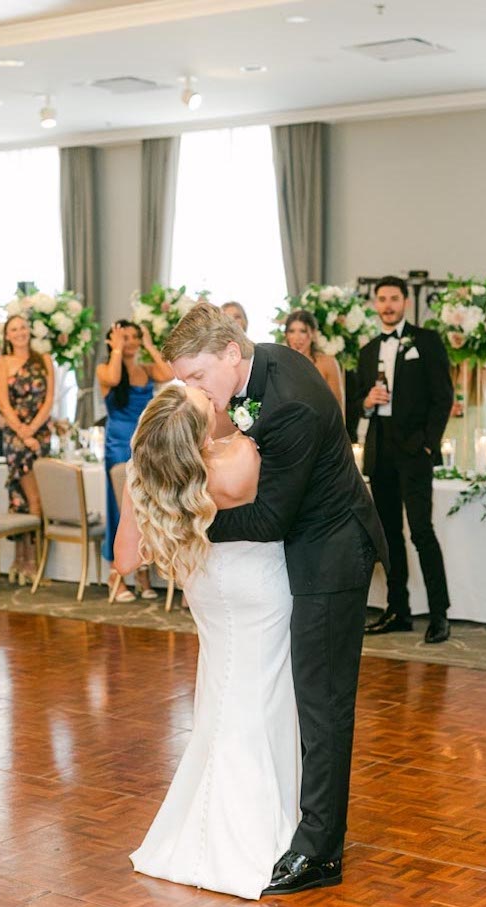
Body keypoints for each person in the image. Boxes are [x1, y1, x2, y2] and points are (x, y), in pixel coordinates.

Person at [162, 302, 388, 896]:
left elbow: (266, 517)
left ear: (231, 353)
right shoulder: (263, 367)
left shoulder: (286, 404)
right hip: (305, 539)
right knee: (309, 696)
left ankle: (320, 851)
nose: (190, 389)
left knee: (323, 701)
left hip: (331, 553)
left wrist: (187, 524)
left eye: (196, 376)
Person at [114, 384, 301, 900]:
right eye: (206, 406)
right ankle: (253, 837)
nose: (217, 403)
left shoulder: (151, 471)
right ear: (196, 430)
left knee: (222, 701)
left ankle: (198, 833)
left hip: (207, 591)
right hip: (259, 591)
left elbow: (126, 560)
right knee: (260, 705)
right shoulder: (241, 455)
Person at [357, 276, 453, 644]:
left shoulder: (426, 342)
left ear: (404, 303)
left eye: (394, 298)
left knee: (421, 532)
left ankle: (440, 614)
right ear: (375, 304)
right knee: (389, 536)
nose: (387, 305)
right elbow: (354, 407)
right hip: (380, 454)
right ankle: (398, 610)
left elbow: (443, 397)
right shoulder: (367, 351)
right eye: (381, 299)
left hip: (415, 454)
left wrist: (429, 445)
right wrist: (366, 402)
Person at [96, 319, 174, 601]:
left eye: (134, 337)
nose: (130, 342)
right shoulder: (105, 369)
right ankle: (116, 576)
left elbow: (168, 372)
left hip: (144, 444)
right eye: (124, 337)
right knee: (119, 508)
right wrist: (116, 350)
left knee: (143, 509)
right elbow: (115, 380)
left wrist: (151, 345)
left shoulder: (146, 369)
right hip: (118, 445)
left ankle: (141, 573)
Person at [0, 314, 54, 584]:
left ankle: (30, 562)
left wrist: (33, 431)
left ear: (29, 332)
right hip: (15, 438)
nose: (19, 333)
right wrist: (21, 432)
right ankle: (23, 561)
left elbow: (49, 399)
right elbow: (3, 403)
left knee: (37, 498)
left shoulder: (44, 360)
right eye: (13, 329)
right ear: (7, 335)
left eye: (23, 328)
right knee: (23, 498)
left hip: (39, 435)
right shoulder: (2, 362)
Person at [446, 363, 486, 471]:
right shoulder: (448, 372)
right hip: (453, 431)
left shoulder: (485, 372)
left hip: (476, 431)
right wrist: (448, 410)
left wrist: (485, 404)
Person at [282, 309, 344, 409]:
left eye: (303, 331)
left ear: (313, 334)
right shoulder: (280, 365)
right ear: (286, 335)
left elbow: (338, 406)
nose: (297, 338)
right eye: (292, 331)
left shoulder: (328, 363)